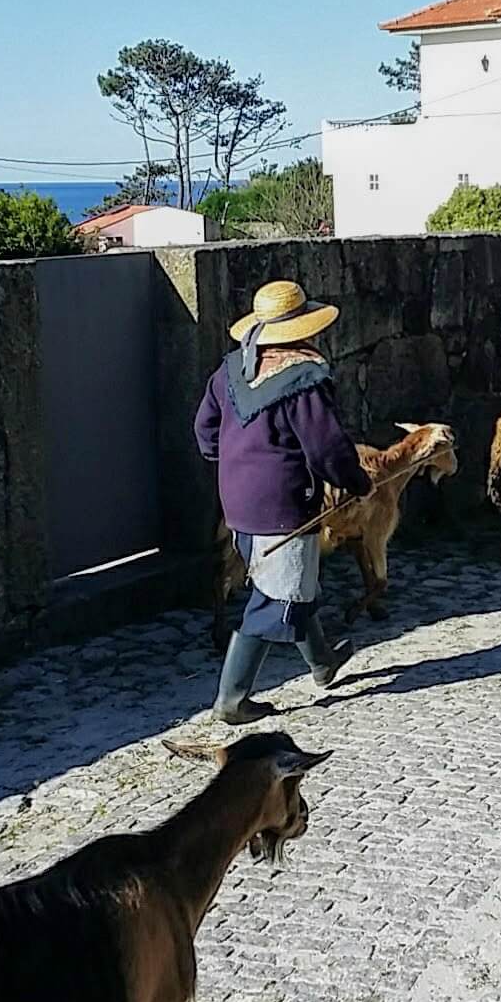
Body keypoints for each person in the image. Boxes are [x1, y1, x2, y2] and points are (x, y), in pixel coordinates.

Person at [194, 280, 373, 724]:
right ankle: (232, 700)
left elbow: (204, 431)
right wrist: (357, 482)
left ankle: (323, 663)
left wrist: (236, 464)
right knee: (276, 600)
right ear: (303, 326)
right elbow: (326, 448)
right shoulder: (304, 379)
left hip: (237, 502)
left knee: (291, 582)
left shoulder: (231, 369)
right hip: (284, 505)